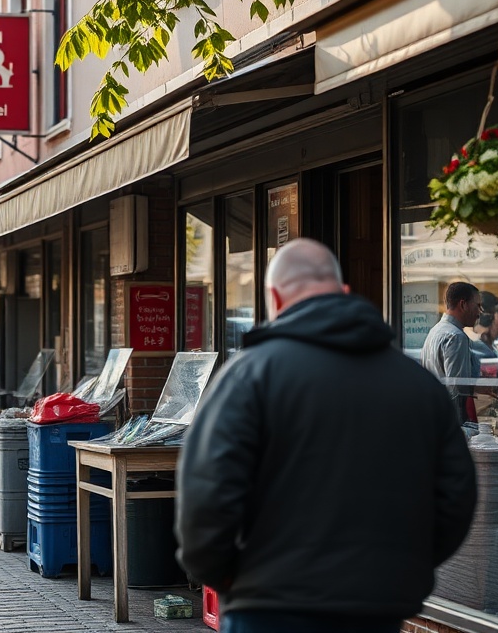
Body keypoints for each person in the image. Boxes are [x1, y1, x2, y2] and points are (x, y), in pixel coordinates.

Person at [175, 239, 476, 633]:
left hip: (267, 604)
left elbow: (205, 496)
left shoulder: (248, 378)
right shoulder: (418, 386)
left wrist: (225, 574)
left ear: (276, 298)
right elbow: (456, 496)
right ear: (344, 293)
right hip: (376, 606)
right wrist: (400, 567)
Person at [421, 282, 482, 425]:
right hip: (450, 420)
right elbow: (458, 388)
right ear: (463, 304)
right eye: (477, 306)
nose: (480, 312)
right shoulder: (456, 336)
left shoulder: (435, 331)